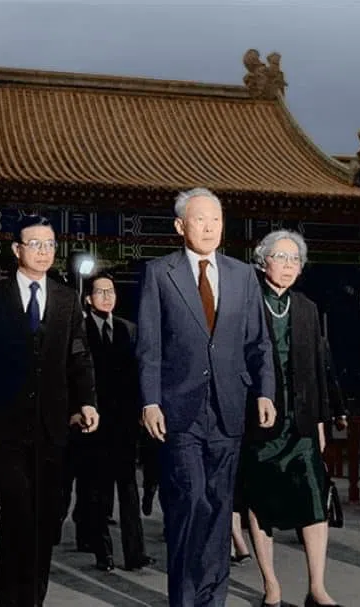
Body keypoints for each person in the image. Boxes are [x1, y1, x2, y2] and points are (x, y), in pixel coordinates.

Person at [136, 187, 276, 607]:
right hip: (179, 409)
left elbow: (259, 343)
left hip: (229, 406)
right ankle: (184, 599)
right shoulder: (160, 273)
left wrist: (265, 392)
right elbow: (149, 345)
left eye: (216, 219)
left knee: (219, 506)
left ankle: (213, 599)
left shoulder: (242, 275)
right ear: (181, 226)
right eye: (200, 219)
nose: (210, 227)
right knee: (190, 500)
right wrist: (149, 401)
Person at [0, 215, 99, 607]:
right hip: (6, 426)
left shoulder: (66, 299)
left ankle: (34, 598)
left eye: (50, 244)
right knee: (16, 512)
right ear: (16, 249)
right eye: (35, 244)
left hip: (52, 426)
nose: (44, 252)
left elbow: (79, 356)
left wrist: (87, 401)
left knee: (44, 517)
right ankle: (10, 599)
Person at [234, 230, 341, 607]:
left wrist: (321, 423)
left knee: (314, 500)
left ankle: (317, 588)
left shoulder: (307, 307)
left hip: (302, 422)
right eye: (280, 257)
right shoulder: (246, 303)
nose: (289, 265)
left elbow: (318, 369)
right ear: (263, 261)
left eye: (295, 259)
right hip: (259, 422)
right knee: (260, 502)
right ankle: (271, 586)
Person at [81, 272, 154, 572]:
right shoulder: (80, 331)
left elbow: (139, 374)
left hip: (124, 422)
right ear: (88, 298)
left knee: (128, 488)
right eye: (100, 292)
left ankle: (135, 553)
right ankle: (103, 552)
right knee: (97, 489)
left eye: (110, 291)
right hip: (93, 422)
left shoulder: (128, 330)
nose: (107, 296)